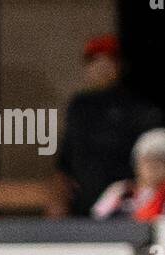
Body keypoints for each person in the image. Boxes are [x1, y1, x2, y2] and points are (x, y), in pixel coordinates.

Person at [49, 34, 162, 217]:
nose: (101, 67)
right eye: (94, 61)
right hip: (84, 207)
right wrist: (57, 201)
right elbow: (65, 161)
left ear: (119, 66)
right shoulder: (78, 106)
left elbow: (153, 161)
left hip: (123, 207)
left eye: (107, 60)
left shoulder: (140, 110)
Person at [92, 127, 165, 222]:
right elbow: (95, 221)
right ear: (137, 163)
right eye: (148, 160)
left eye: (160, 160)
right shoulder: (120, 191)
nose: (153, 166)